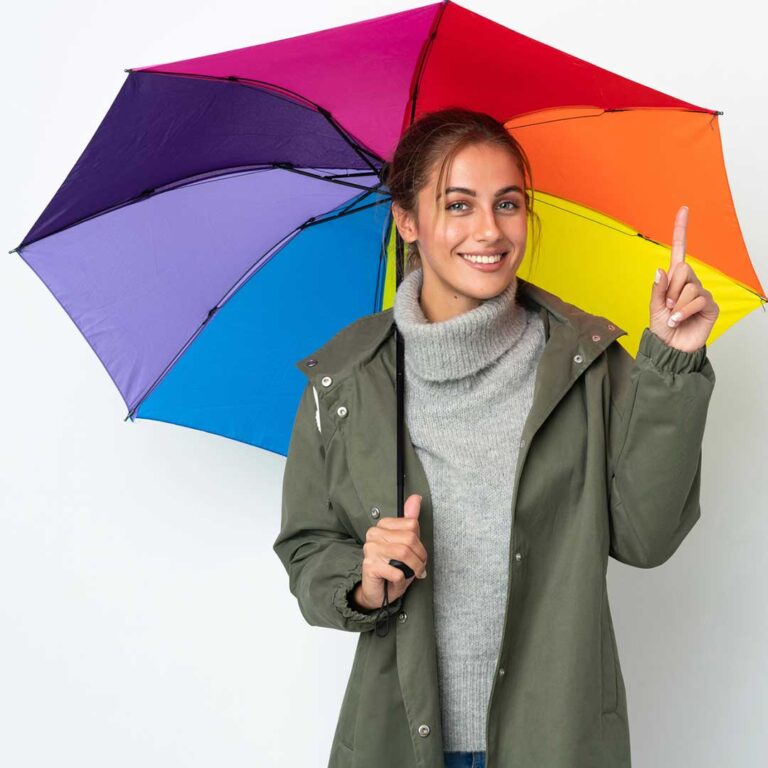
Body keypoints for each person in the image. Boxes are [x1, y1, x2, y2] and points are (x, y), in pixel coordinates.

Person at [273, 108, 718, 768]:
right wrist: (363, 580)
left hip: (559, 741)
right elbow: (307, 547)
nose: (489, 230)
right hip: (396, 742)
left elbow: (646, 537)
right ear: (407, 221)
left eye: (508, 203)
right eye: (458, 205)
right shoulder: (344, 379)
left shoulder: (586, 364)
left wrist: (672, 364)